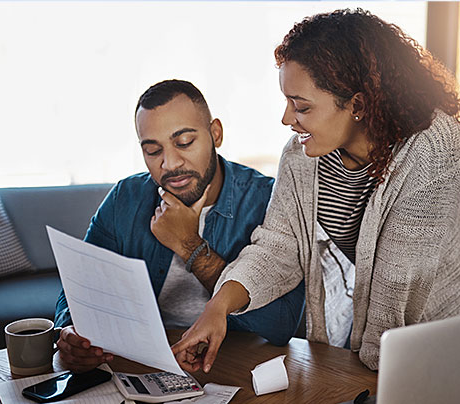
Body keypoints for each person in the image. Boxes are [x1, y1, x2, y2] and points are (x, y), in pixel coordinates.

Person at [172, 8, 460, 373]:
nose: (287, 119)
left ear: (358, 104)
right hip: (382, 342)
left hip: (444, 328)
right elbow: (277, 248)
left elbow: (399, 278)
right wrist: (218, 308)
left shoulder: (432, 145)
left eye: (301, 106)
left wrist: (368, 379)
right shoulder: (301, 157)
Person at [54, 79, 305, 372]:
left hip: (240, 369)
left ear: (216, 133)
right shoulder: (126, 197)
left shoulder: (267, 200)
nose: (170, 163)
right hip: (144, 367)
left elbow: (282, 326)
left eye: (184, 142)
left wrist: (190, 246)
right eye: (152, 150)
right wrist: (69, 330)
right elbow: (80, 286)